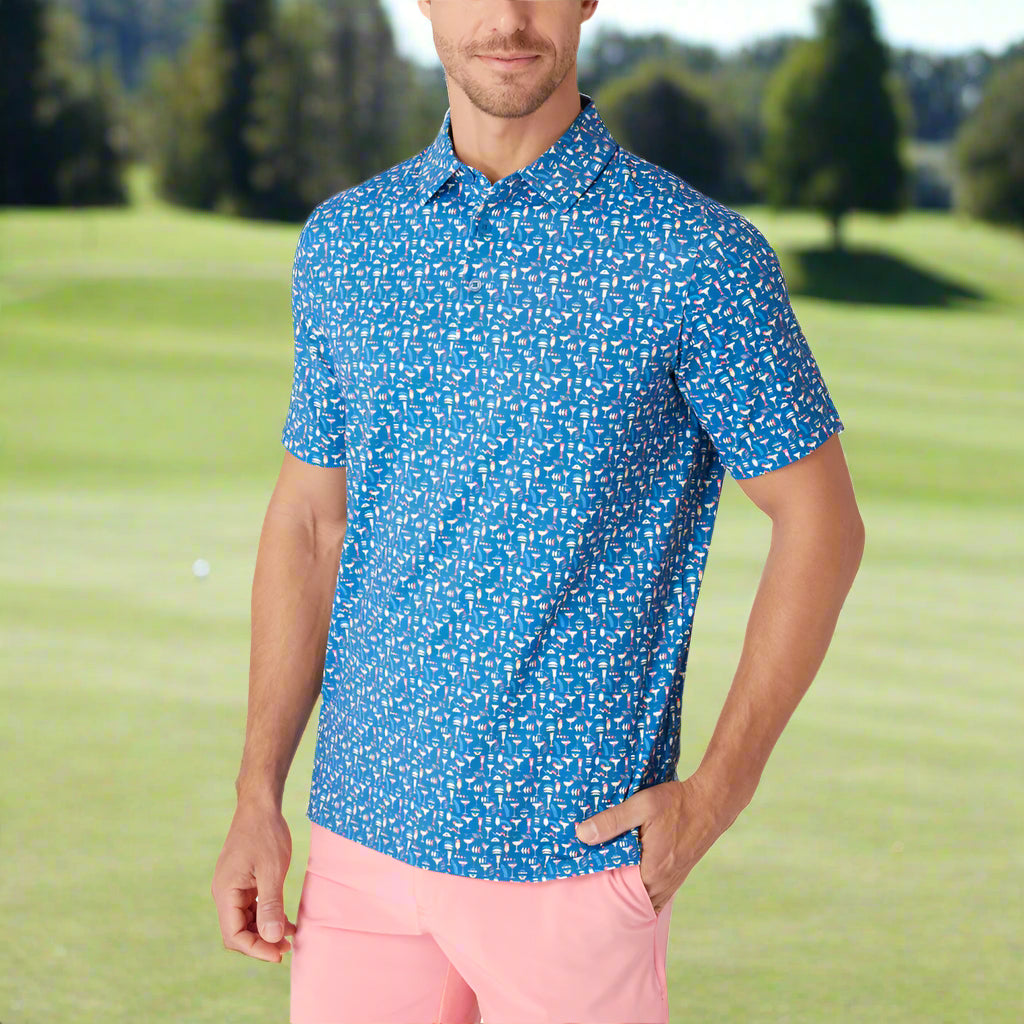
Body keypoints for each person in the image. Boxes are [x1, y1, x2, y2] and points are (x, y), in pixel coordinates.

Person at [211, 1, 865, 1021]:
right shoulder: (348, 243)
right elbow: (309, 522)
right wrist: (258, 795)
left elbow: (822, 522)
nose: (510, 18)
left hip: (570, 863)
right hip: (357, 847)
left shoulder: (697, 256)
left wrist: (713, 797)